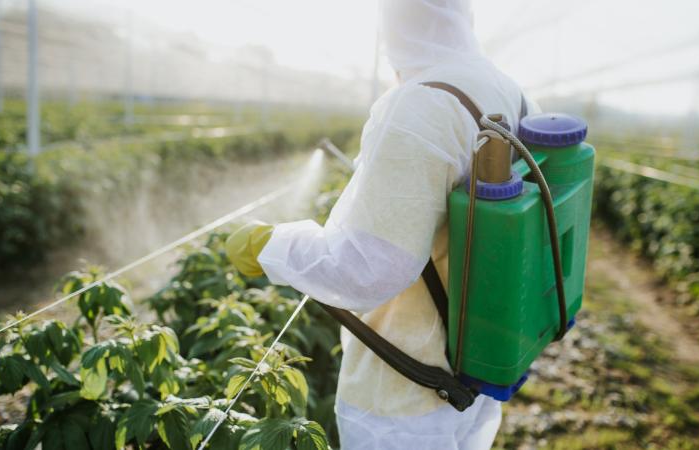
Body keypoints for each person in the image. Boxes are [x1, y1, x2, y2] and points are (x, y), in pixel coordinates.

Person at [227, 0, 538, 448]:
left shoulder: (424, 104)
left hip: (404, 397)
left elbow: (369, 268)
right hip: (478, 364)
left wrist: (270, 245)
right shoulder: (507, 88)